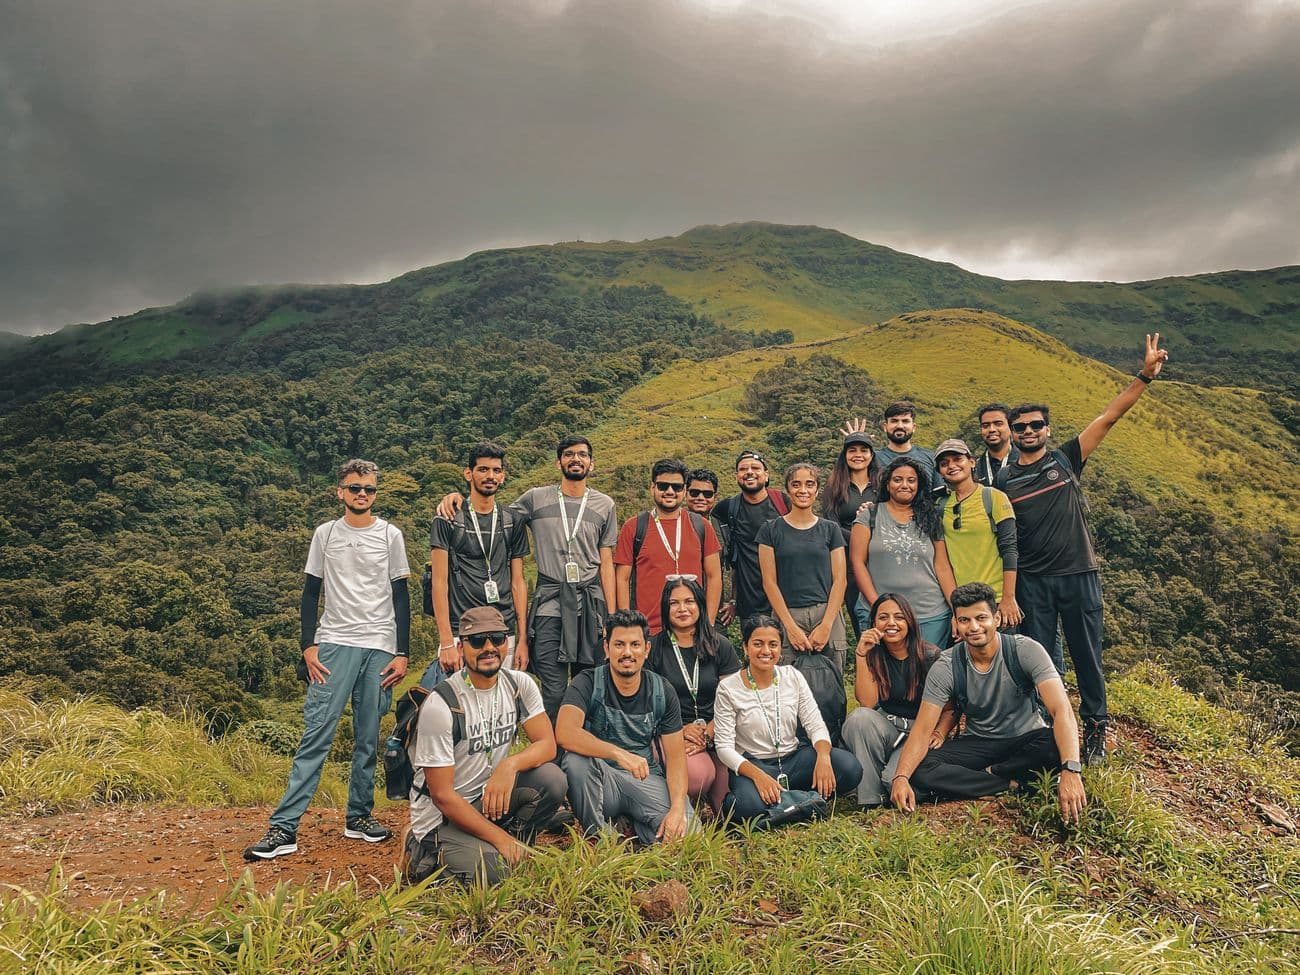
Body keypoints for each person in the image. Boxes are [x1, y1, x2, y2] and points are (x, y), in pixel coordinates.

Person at [996, 334, 1169, 762]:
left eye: (1036, 425)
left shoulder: (1066, 458)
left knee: (1086, 655)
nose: (1029, 431)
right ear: (1012, 435)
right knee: (1039, 660)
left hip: (1078, 575)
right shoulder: (1003, 481)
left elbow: (1110, 416)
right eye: (1021, 427)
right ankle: (1045, 724)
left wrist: (1144, 376)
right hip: (1033, 583)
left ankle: (1095, 728)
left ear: (1047, 430)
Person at [244, 459, 410, 860]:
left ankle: (359, 817)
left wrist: (403, 652)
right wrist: (308, 644)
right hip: (334, 642)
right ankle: (284, 828)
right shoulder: (326, 534)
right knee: (317, 734)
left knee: (367, 737)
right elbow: (309, 592)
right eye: (354, 488)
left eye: (369, 489)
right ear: (340, 491)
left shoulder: (390, 535)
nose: (362, 495)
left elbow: (402, 596)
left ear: (375, 493)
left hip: (380, 646)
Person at [437, 435, 618, 723]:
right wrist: (457, 498)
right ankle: (554, 757)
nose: (576, 459)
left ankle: (588, 754)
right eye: (569, 454)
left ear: (592, 464)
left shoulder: (605, 505)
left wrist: (612, 618)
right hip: (550, 605)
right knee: (554, 691)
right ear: (558, 462)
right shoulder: (535, 498)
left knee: (591, 685)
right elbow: (494, 512)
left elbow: (606, 563)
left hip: (590, 606)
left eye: (582, 455)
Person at [889, 584, 1088, 824]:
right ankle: (1011, 784)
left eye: (981, 618)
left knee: (1054, 744)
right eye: (964, 620)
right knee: (922, 769)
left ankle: (987, 777)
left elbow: (1062, 710)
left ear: (995, 618)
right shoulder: (946, 665)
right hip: (980, 742)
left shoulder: (1025, 650)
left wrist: (1071, 770)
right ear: (956, 622)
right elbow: (921, 731)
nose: (973, 627)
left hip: (1025, 738)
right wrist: (900, 777)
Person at [403, 607, 565, 888]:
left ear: (507, 642)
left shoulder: (518, 684)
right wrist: (502, 840)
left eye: (497, 638)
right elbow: (442, 797)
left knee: (552, 780)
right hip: (442, 817)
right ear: (461, 646)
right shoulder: (443, 705)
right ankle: (419, 852)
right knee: (498, 873)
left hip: (487, 801)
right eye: (477, 641)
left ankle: (503, 847)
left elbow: (547, 745)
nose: (489, 647)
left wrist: (509, 765)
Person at [555, 609, 696, 845]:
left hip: (645, 779)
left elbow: (676, 758)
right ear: (607, 648)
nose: (627, 653)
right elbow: (565, 732)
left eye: (635, 645)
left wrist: (678, 809)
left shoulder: (662, 691)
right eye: (619, 644)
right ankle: (600, 839)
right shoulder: (588, 683)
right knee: (575, 762)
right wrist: (619, 754)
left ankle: (636, 826)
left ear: (646, 649)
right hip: (601, 780)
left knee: (688, 836)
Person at [713, 615, 863, 824]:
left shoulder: (792, 676)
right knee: (747, 806)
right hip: (756, 764)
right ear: (745, 648)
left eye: (773, 644)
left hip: (794, 758)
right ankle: (801, 801)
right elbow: (724, 748)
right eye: (758, 644)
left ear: (779, 649)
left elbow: (815, 723)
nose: (766, 651)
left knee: (849, 768)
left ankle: (783, 802)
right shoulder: (729, 688)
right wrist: (759, 776)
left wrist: (823, 756)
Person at [428, 442, 529, 683]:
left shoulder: (512, 521)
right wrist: (445, 642)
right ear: (468, 473)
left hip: (503, 631)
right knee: (459, 709)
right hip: (462, 630)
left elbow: (518, 582)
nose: (490, 476)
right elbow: (439, 583)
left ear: (503, 476)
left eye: (496, 470)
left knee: (503, 704)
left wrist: (523, 639)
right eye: (483, 469)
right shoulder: (448, 519)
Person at [841, 593, 952, 807]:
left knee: (894, 783)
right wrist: (861, 654)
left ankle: (907, 787)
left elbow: (950, 708)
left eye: (899, 617)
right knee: (859, 718)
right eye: (883, 617)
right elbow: (867, 702)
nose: (891, 623)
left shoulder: (930, 656)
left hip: (918, 732)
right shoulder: (873, 654)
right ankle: (871, 800)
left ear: (909, 622)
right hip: (888, 726)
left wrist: (940, 732)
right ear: (874, 623)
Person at [646, 578, 741, 814]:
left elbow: (734, 699)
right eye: (674, 603)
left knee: (729, 808)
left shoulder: (721, 646)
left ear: (700, 604)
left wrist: (709, 732)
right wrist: (680, 730)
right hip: (672, 733)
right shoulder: (654, 649)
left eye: (689, 601)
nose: (682, 609)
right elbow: (648, 705)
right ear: (665, 609)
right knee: (699, 776)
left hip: (718, 732)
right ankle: (681, 807)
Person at [849, 458, 957, 648]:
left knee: (926, 672)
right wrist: (878, 607)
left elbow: (942, 567)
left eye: (911, 480)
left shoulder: (931, 517)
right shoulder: (870, 515)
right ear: (888, 485)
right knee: (880, 673)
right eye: (897, 480)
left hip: (929, 615)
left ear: (919, 485)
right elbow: (858, 563)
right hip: (880, 614)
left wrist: (957, 610)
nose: (904, 485)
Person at [757, 463, 848, 673]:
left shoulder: (830, 529)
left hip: (827, 612)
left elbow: (840, 580)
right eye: (796, 484)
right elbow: (769, 582)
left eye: (809, 484)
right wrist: (790, 627)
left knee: (831, 684)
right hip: (787, 613)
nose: (803, 490)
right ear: (788, 489)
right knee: (787, 685)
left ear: (817, 490)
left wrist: (826, 625)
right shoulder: (770, 530)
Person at [615, 458, 722, 633]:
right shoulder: (634, 527)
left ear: (685, 490)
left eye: (677, 487)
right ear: (653, 488)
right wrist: (629, 624)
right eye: (663, 486)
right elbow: (622, 578)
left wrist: (708, 623)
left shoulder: (701, 526)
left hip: (693, 631)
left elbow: (714, 576)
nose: (670, 491)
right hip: (648, 631)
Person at [933, 438, 1021, 627]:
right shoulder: (940, 506)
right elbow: (942, 563)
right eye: (944, 463)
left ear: (971, 462)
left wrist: (1008, 598)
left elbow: (1010, 549)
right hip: (963, 604)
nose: (951, 466)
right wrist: (955, 609)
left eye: (958, 459)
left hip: (995, 601)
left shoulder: (993, 497)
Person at [713, 450, 791, 625]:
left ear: (766, 474)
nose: (749, 472)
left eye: (755, 467)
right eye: (743, 469)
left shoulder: (783, 502)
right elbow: (736, 560)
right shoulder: (727, 509)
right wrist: (734, 600)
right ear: (736, 476)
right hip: (750, 604)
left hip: (788, 601)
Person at [822, 425, 881, 637]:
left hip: (881, 558)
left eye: (864, 450)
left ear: (872, 454)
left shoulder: (883, 484)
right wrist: (860, 534)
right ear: (844, 455)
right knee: (861, 619)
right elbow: (831, 524)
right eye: (852, 450)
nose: (858, 455)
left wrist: (872, 516)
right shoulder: (835, 487)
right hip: (849, 562)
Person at [874, 401, 938, 492]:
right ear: (885, 427)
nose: (900, 425)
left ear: (913, 427)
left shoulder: (931, 458)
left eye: (905, 421)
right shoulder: (873, 458)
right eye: (894, 421)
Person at [974, 403, 1019, 487]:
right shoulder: (975, 468)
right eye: (985, 425)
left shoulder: (1026, 463)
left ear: (1011, 427)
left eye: (998, 424)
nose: (991, 429)